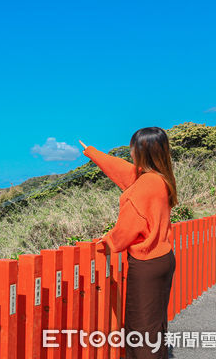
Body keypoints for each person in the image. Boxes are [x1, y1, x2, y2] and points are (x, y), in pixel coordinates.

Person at [79, 127, 177, 359]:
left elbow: (128, 227)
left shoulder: (143, 187)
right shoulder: (160, 177)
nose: (130, 153)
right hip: (164, 258)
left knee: (140, 329)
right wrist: (93, 153)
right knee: (155, 322)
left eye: (134, 148)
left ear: (143, 153)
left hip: (147, 263)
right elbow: (122, 170)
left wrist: (108, 243)